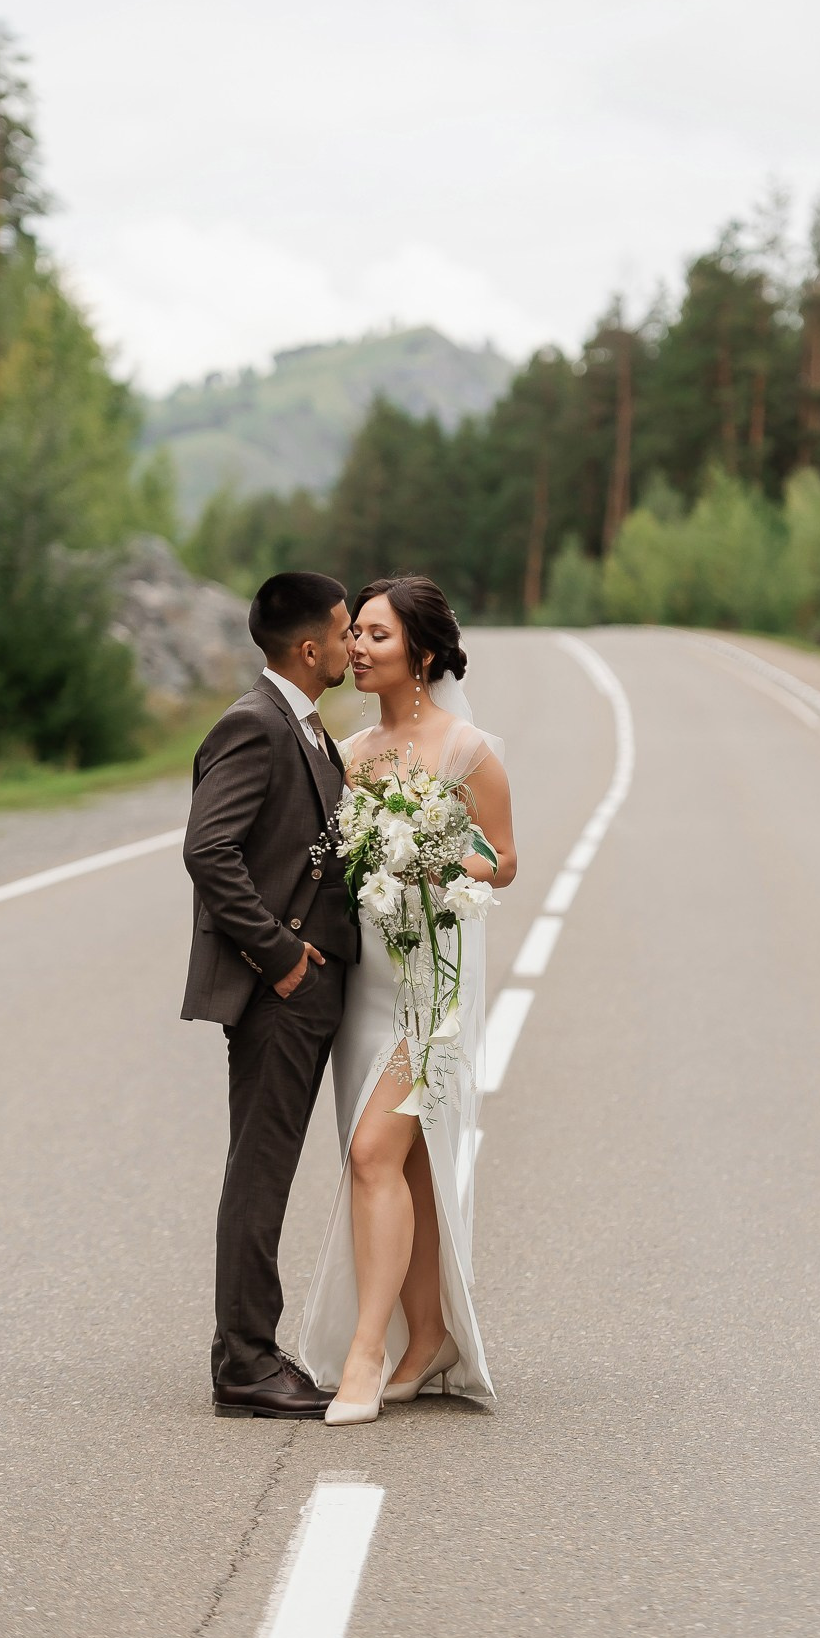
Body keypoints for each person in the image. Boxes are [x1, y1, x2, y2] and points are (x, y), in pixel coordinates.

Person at [299, 575, 517, 1425]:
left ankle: (365, 1353)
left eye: (376, 636)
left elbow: (502, 859)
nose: (356, 648)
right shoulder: (348, 757)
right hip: (366, 989)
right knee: (409, 1166)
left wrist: (436, 861)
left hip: (433, 985)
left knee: (370, 1154)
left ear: (420, 653)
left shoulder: (469, 751)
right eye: (354, 633)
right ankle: (427, 1338)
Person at [180, 571, 358, 1418]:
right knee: (260, 1172)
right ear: (311, 645)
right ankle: (244, 1362)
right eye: (346, 629)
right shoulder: (254, 725)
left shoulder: (307, 726)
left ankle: (249, 1348)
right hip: (278, 992)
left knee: (269, 1169)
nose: (355, 643)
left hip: (311, 989)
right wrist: (281, 956)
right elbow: (209, 851)